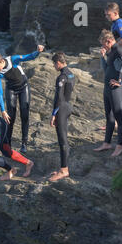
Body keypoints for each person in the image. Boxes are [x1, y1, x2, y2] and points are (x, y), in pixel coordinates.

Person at [0, 44, 45, 153]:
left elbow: (28, 57)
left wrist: (38, 51)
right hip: (11, 90)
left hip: (24, 87)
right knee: (10, 118)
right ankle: (7, 144)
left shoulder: (12, 60)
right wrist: (3, 110)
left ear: (1, 61)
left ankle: (24, 143)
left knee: (24, 114)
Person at [94, 30, 122, 157]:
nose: (103, 46)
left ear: (109, 41)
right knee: (109, 117)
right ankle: (107, 143)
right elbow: (106, 70)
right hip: (107, 89)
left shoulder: (119, 50)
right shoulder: (111, 52)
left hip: (115, 90)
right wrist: (102, 57)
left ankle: (119, 146)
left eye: (104, 44)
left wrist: (121, 83)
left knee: (119, 118)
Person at [99, 2, 122, 131]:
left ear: (116, 13)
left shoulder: (119, 23)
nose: (107, 17)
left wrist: (113, 48)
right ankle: (111, 122)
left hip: (117, 58)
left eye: (108, 14)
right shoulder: (113, 24)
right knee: (110, 86)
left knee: (116, 85)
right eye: (105, 15)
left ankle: (116, 122)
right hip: (113, 57)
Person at [49, 52, 76, 181]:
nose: (54, 66)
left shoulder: (61, 77)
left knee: (62, 140)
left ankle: (64, 170)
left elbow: (59, 97)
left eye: (54, 64)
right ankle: (63, 167)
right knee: (64, 138)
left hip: (62, 109)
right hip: (68, 106)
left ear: (58, 63)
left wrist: (54, 113)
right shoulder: (71, 74)